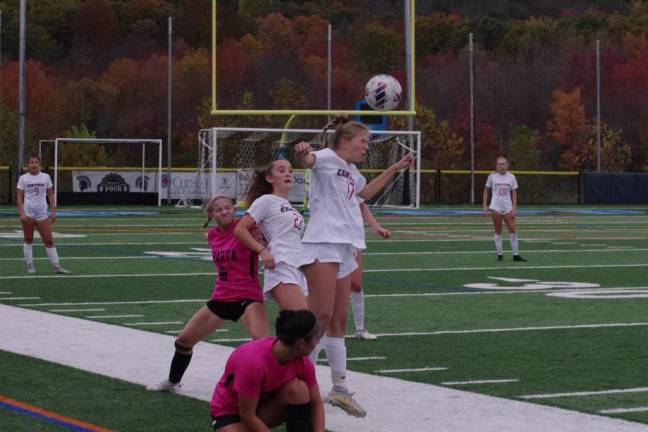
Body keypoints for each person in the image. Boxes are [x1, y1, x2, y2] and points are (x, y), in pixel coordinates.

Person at [294, 116, 412, 417]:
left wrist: (394, 169)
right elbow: (307, 160)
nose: (366, 147)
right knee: (317, 317)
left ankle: (339, 389)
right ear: (345, 141)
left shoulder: (351, 170)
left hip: (346, 245)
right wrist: (302, 151)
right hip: (323, 242)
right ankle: (293, 381)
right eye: (363, 142)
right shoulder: (325, 157)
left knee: (338, 320)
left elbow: (365, 193)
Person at [148, 196, 269, 393]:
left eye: (228, 207)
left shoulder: (245, 229)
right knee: (183, 341)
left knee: (263, 344)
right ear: (211, 215)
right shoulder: (212, 235)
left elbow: (264, 240)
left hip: (247, 297)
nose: (224, 211)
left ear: (234, 209)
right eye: (219, 209)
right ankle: (172, 382)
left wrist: (262, 241)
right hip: (221, 297)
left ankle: (272, 388)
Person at [209, 309, 324, 432]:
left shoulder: (302, 362)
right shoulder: (253, 363)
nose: (317, 343)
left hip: (261, 409)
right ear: (301, 343)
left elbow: (316, 403)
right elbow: (247, 416)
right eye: (316, 338)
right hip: (230, 412)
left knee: (298, 389)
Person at [234, 159, 308, 311]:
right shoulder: (265, 201)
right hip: (281, 264)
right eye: (282, 171)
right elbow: (240, 229)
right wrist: (262, 251)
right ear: (269, 178)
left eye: (290, 171)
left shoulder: (290, 206)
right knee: (302, 322)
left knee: (307, 326)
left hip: (298, 265)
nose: (288, 174)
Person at [16, 155, 70, 274]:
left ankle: (56, 266)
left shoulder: (46, 177)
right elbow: (19, 196)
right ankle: (30, 266)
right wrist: (22, 213)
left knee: (48, 240)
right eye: (31, 162)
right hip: (28, 213)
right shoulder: (23, 178)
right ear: (28, 165)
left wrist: (53, 211)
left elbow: (50, 195)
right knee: (28, 239)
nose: (34, 164)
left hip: (42, 213)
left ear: (39, 164)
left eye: (36, 162)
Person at [349, 202, 391, 341]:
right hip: (333, 233)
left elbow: (361, 204)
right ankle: (323, 334)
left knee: (356, 284)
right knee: (332, 287)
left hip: (354, 235)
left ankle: (360, 329)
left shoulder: (355, 179)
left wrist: (376, 226)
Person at [482, 156, 526, 262]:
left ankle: (515, 255)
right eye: (499, 164)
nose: (501, 166)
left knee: (513, 229)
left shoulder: (511, 177)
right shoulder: (492, 176)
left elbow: (514, 193)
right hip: (496, 207)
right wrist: (485, 205)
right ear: (496, 166)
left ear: (507, 165)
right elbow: (486, 190)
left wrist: (514, 208)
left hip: (507, 207)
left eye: (503, 164)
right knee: (498, 230)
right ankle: (500, 255)